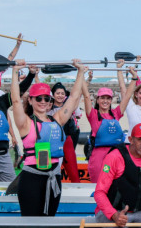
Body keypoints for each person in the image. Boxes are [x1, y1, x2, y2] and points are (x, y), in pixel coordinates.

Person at [10, 61, 87, 216]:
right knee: (31, 222)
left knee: (49, 219)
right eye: (39, 99)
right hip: (32, 178)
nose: (43, 102)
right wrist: (14, 72)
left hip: (54, 178)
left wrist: (80, 73)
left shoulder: (57, 119)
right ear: (31, 101)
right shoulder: (25, 123)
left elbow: (73, 97)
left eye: (47, 99)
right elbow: (16, 100)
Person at [83, 61, 134, 184]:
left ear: (111, 100)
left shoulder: (116, 113)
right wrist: (82, 74)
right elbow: (85, 94)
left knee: (116, 189)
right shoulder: (93, 115)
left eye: (108, 98)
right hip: (98, 157)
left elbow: (127, 96)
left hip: (116, 155)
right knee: (99, 188)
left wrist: (134, 78)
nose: (105, 101)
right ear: (98, 99)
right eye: (102, 98)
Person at [48, 82, 82, 183]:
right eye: (57, 93)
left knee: (74, 174)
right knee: (51, 172)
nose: (60, 95)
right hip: (51, 143)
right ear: (52, 95)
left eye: (62, 93)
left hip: (67, 141)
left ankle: (77, 194)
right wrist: (35, 76)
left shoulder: (68, 107)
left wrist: (84, 81)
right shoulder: (47, 107)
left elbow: (76, 97)